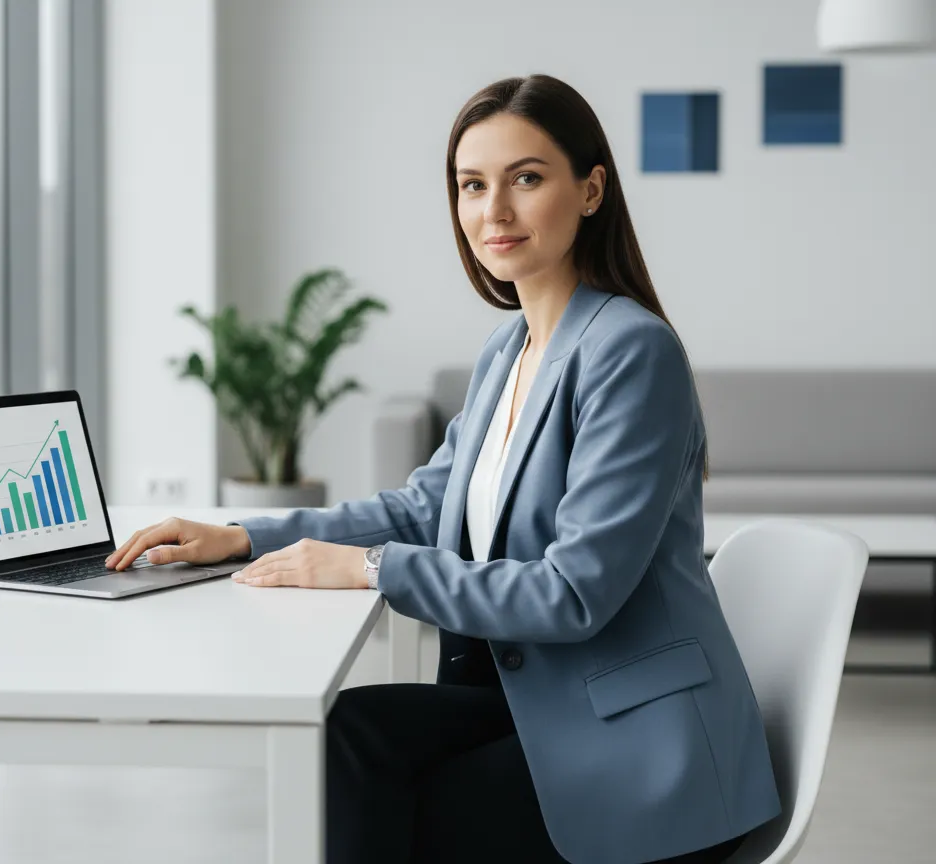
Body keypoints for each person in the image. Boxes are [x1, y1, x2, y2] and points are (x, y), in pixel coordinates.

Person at [106, 73, 781, 864]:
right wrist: (240, 537)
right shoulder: (509, 350)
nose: (493, 211)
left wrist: (371, 570)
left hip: (642, 748)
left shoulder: (632, 353)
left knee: (398, 811)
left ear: (591, 189)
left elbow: (572, 594)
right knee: (352, 738)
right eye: (471, 185)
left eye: (525, 179)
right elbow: (423, 509)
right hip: (543, 702)